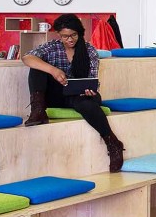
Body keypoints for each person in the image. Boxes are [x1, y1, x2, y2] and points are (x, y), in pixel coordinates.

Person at [22, 14, 125, 172]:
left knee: (87, 103)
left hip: (81, 95)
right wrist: (53, 70)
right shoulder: (53, 46)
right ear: (59, 35)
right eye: (65, 36)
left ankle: (113, 143)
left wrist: (89, 90)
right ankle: (37, 111)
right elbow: (27, 58)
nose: (69, 39)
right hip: (57, 94)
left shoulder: (89, 50)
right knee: (37, 69)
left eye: (73, 35)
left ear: (79, 33)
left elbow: (92, 79)